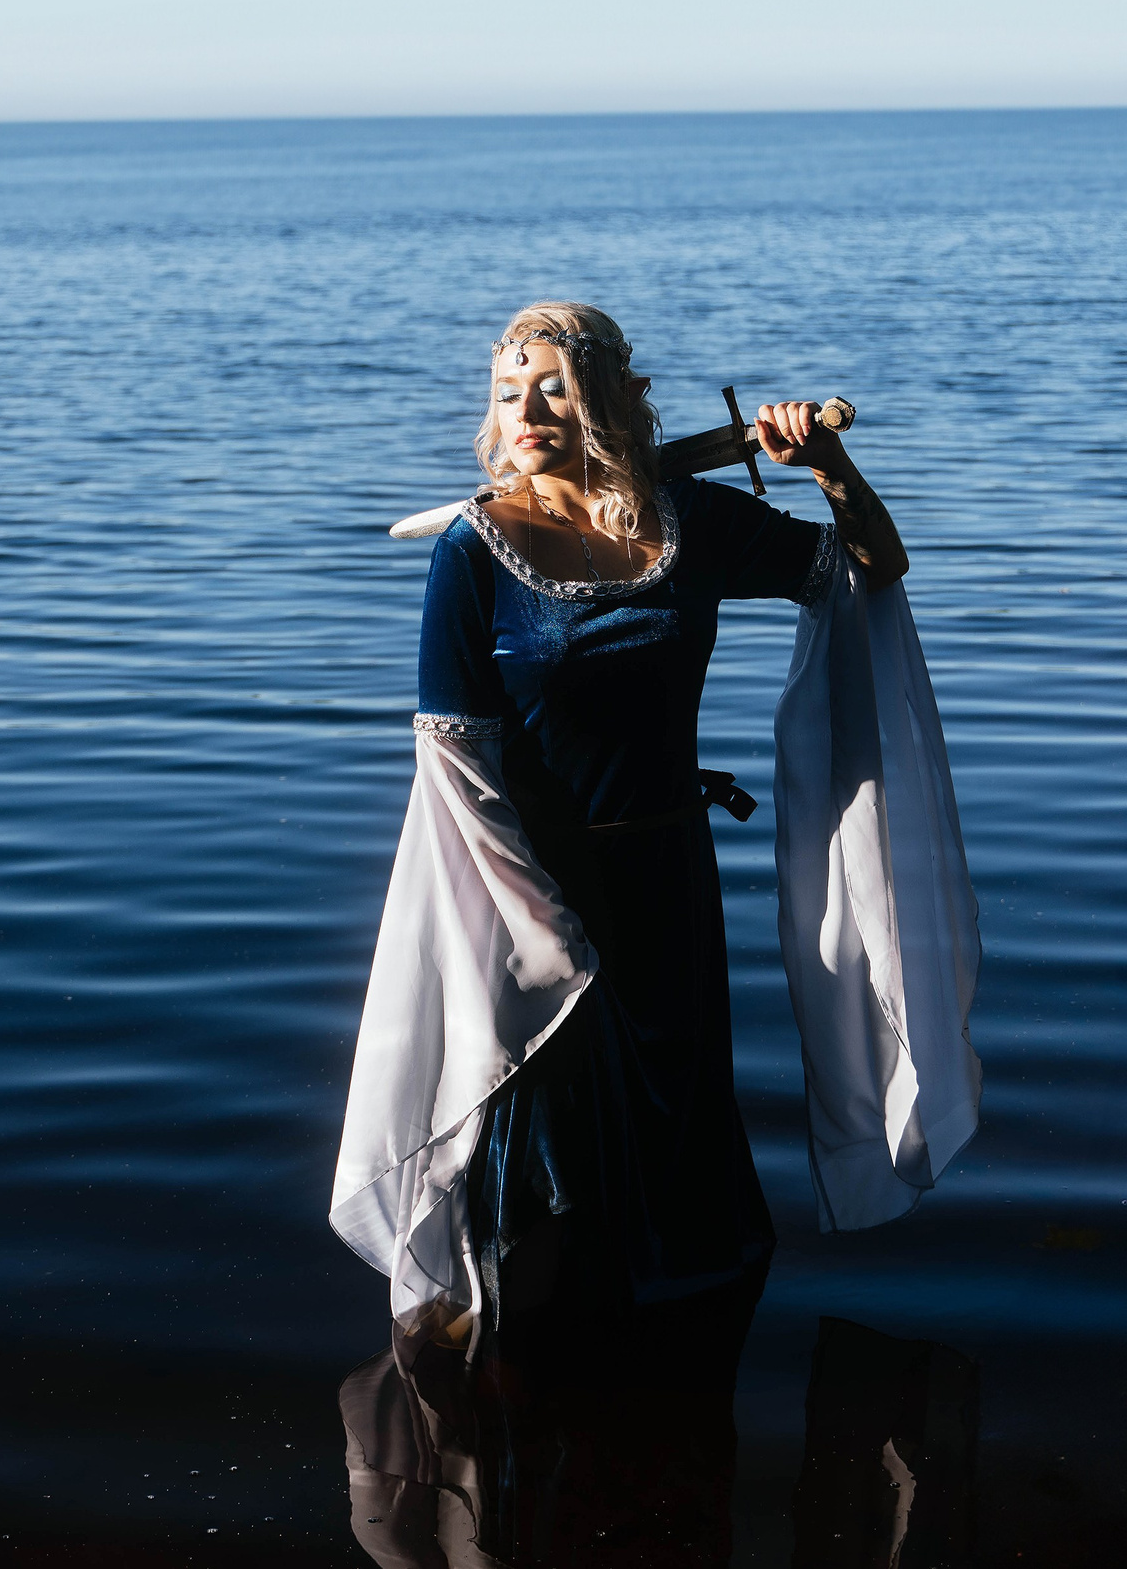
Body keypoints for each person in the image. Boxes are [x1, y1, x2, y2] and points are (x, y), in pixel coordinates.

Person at [330, 301, 980, 1352]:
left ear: (611, 402)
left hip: (669, 882)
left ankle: (679, 1420)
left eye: (551, 385)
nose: (525, 409)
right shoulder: (473, 551)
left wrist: (827, 468)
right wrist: (540, 928)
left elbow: (866, 573)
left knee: (680, 1175)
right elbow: (454, 766)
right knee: (555, 1182)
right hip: (530, 896)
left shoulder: (691, 522)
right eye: (506, 392)